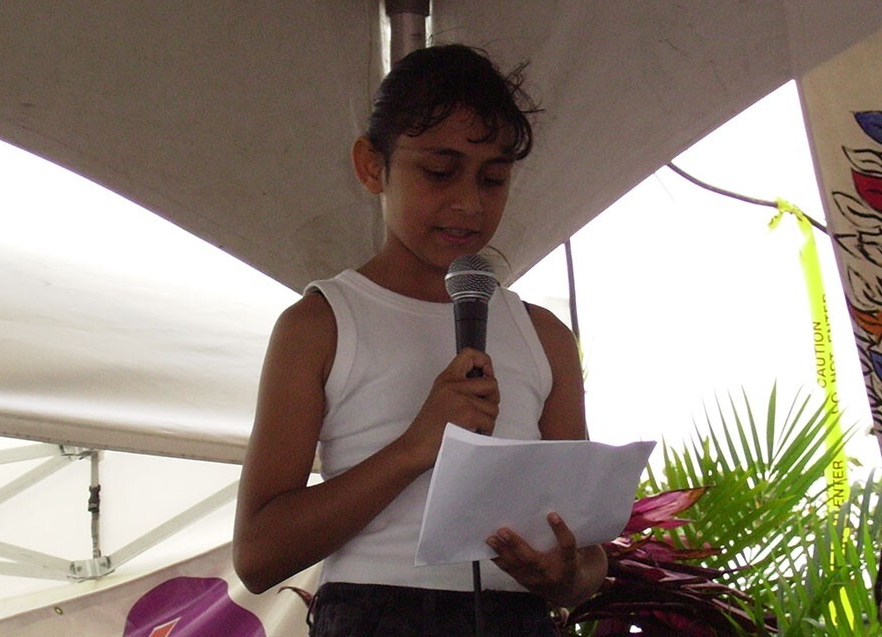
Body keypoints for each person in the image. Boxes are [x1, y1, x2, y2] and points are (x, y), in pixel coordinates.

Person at [233, 44, 607, 636]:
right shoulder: (322, 324)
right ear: (371, 167)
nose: (468, 202)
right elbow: (257, 555)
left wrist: (563, 578)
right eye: (439, 171)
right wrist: (415, 447)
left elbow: (586, 561)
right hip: (372, 614)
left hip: (516, 618)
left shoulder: (544, 337)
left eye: (494, 179)